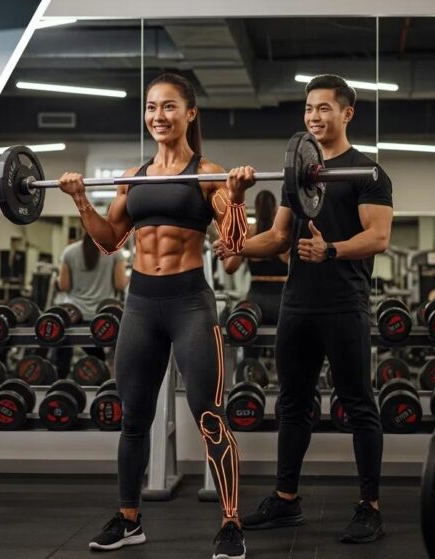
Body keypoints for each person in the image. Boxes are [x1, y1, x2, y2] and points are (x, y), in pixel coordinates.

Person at [61, 73, 255, 559]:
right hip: (141, 305)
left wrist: (238, 198)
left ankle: (231, 523)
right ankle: (129, 519)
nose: (158, 117)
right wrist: (81, 199)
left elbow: (231, 250)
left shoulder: (208, 173)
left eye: (169, 107)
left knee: (209, 415)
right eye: (151, 108)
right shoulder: (134, 177)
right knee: (133, 419)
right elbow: (109, 241)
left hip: (190, 302)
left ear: (190, 114)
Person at [221, 74, 392, 544]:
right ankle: (286, 500)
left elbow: (378, 237)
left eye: (323, 109)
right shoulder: (299, 172)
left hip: (344, 303)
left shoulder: (368, 172)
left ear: (346, 113)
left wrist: (331, 250)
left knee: (358, 404)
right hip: (297, 305)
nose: (314, 117)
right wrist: (234, 244)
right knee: (292, 403)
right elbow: (278, 237)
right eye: (308, 109)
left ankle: (369, 507)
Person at [51, 228, 127, 372]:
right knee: (98, 360)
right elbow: (120, 284)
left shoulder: (69, 251)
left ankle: (60, 382)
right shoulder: (115, 252)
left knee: (63, 353)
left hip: (74, 316)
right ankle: (100, 381)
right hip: (102, 317)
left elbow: (64, 285)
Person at [243, 191, 289, 326]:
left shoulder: (249, 233)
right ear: (275, 209)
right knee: (281, 344)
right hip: (280, 298)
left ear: (256, 208)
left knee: (251, 341)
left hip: (256, 298)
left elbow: (230, 266)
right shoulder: (283, 234)